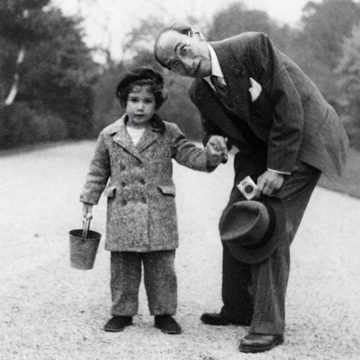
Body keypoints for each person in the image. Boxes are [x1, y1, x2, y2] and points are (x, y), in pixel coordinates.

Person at [154, 24, 349, 352]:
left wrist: (278, 169)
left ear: (197, 35)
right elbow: (216, 129)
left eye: (183, 50)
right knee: (235, 216)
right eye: (174, 65)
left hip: (302, 140)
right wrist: (214, 142)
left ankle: (268, 326)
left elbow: (289, 110)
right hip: (259, 148)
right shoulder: (199, 92)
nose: (185, 64)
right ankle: (238, 307)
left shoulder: (251, 47)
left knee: (268, 224)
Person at [79, 67, 226, 335]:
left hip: (158, 211)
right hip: (122, 211)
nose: (140, 107)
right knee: (123, 266)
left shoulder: (168, 133)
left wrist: (211, 156)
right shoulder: (109, 135)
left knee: (162, 267)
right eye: (134, 100)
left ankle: (164, 313)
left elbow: (190, 156)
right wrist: (89, 199)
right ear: (124, 101)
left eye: (147, 101)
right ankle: (122, 313)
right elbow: (98, 170)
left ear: (157, 104)